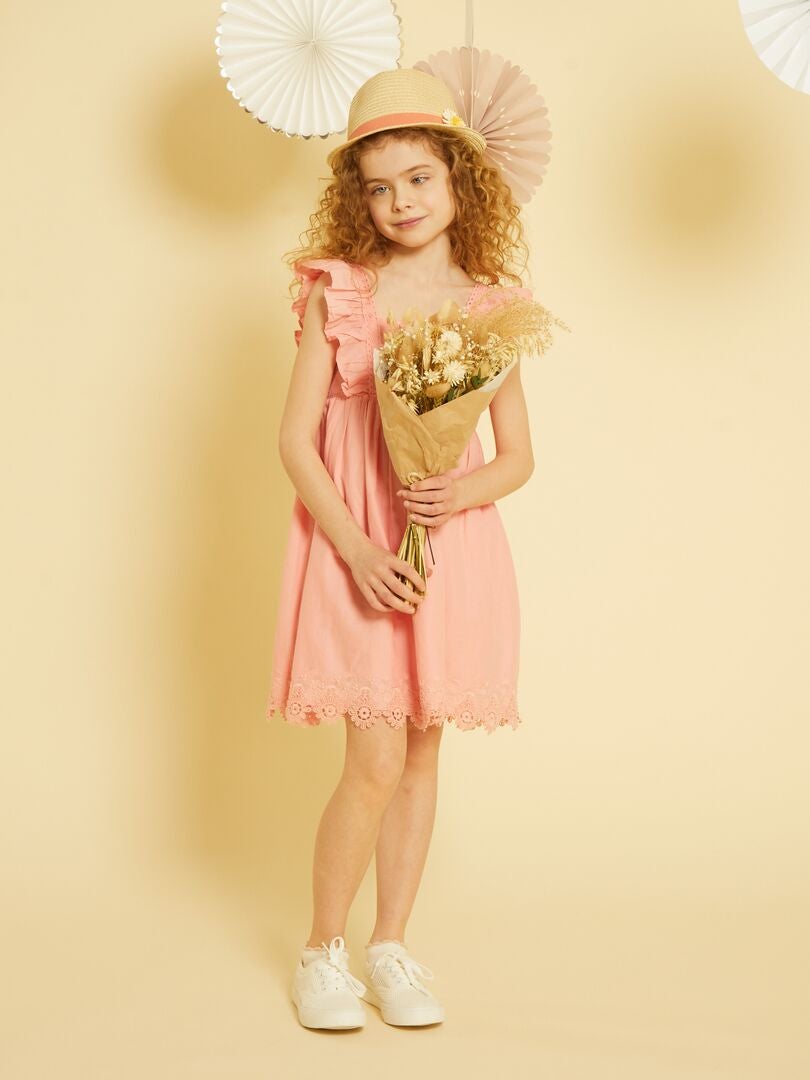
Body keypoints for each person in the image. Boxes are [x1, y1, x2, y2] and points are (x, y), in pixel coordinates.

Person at [267, 68, 540, 1030]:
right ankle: (323, 952)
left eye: (420, 178)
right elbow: (296, 440)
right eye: (378, 187)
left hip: (446, 554)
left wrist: (455, 491)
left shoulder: (492, 306)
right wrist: (353, 547)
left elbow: (518, 457)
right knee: (374, 763)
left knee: (422, 760)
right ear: (358, 197)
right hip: (358, 552)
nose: (401, 202)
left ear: (461, 176)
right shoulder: (338, 292)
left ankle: (390, 946)